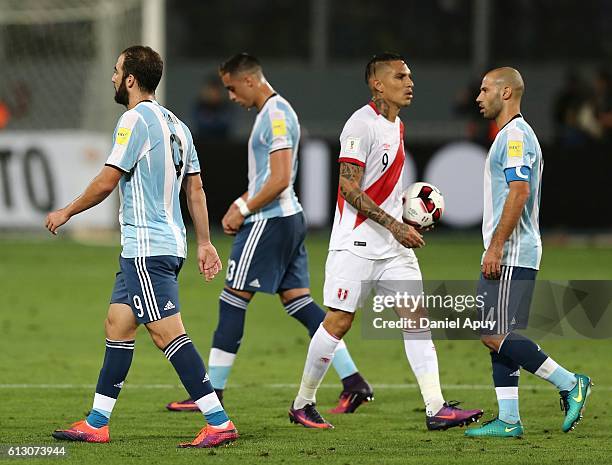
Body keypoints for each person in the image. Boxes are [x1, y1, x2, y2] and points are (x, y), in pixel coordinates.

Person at [46, 45, 238, 448]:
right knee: (118, 323)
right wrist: (203, 242)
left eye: (117, 71)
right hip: (166, 244)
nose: (113, 77)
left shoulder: (133, 120)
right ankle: (97, 421)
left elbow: (107, 180)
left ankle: (218, 421)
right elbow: (196, 188)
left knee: (167, 334)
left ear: (131, 79)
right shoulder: (178, 124)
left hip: (147, 250)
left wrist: (66, 211)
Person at [165, 53, 373, 415]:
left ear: (249, 81)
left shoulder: (276, 115)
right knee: (300, 303)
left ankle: (212, 393)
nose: (230, 96)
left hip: (269, 220)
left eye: (231, 88)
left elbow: (278, 179)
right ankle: (353, 381)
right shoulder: (275, 112)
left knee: (232, 299)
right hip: (289, 218)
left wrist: (242, 207)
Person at [288, 52, 483, 430]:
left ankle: (436, 407)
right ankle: (302, 403)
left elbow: (386, 186)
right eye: (400, 76)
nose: (409, 83)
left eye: (409, 76)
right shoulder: (360, 126)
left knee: (416, 318)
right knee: (339, 322)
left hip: (394, 248)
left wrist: (405, 219)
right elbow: (347, 187)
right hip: (356, 244)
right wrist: (395, 224)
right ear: (377, 83)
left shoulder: (398, 125)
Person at [465, 67, 592, 438]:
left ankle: (571, 384)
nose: (478, 96)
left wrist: (496, 245)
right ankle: (508, 419)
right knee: (500, 333)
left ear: (506, 93)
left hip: (512, 250)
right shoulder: (509, 135)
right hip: (513, 249)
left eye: (485, 89)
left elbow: (519, 192)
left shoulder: (516, 137)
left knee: (491, 331)